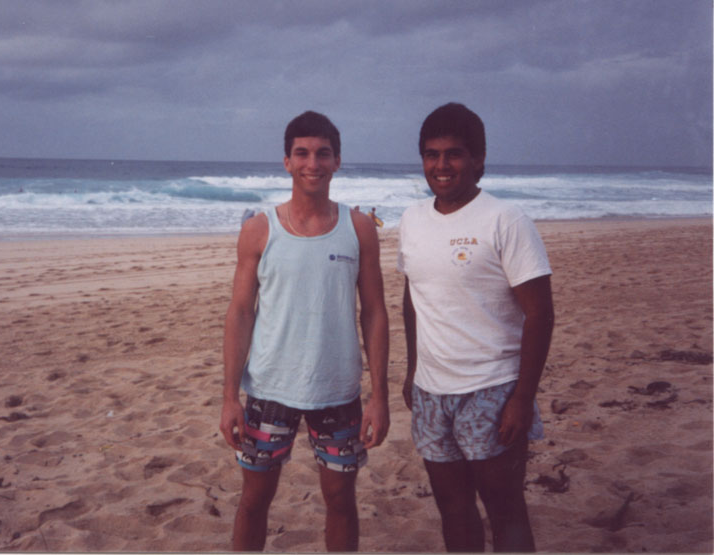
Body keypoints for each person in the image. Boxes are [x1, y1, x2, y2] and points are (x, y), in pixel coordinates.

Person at [220, 111, 389, 552]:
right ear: (287, 162)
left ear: (337, 162)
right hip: (269, 389)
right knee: (255, 500)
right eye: (302, 153)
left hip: (337, 391)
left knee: (340, 501)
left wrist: (380, 396)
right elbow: (240, 312)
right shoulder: (259, 230)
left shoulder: (358, 229)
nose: (312, 163)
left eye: (322, 154)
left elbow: (374, 312)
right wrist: (228, 397)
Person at [398, 103, 554, 552]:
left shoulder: (506, 220)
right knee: (453, 508)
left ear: (478, 159)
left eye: (454, 154)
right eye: (431, 154)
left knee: (505, 509)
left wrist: (522, 399)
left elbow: (540, 314)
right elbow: (414, 298)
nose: (441, 166)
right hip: (431, 392)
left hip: (493, 388)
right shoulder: (412, 220)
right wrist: (412, 371)